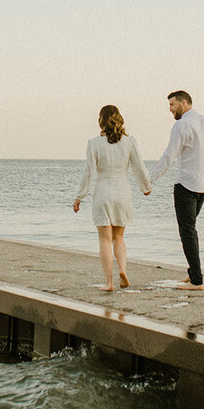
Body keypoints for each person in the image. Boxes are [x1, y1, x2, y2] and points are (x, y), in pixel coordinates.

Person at [148, 90, 204, 290]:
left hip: (185, 185)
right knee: (191, 230)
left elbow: (169, 155)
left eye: (172, 105)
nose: (170, 109)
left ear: (184, 103)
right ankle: (193, 271)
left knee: (187, 232)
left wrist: (149, 180)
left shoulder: (182, 125)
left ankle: (196, 280)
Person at [73, 105, 153, 291]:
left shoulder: (94, 143)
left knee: (104, 240)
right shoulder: (129, 141)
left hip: (103, 192)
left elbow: (89, 172)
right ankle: (123, 270)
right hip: (122, 192)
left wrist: (80, 196)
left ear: (101, 120)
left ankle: (109, 283)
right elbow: (139, 167)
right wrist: (146, 186)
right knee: (119, 237)